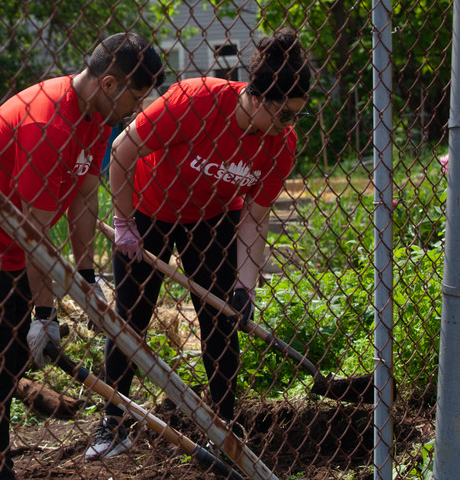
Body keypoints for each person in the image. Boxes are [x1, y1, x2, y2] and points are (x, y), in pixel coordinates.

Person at [0, 33, 165, 480]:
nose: (137, 108)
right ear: (109, 84)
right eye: (136, 96)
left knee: (9, 355)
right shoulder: (47, 123)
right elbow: (34, 233)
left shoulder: (95, 118)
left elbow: (84, 196)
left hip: (13, 246)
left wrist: (88, 276)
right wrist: (45, 310)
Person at [85, 27, 311, 461]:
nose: (289, 125)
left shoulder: (280, 145)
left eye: (296, 116)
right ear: (259, 97)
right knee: (131, 316)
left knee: (221, 323)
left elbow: (255, 215)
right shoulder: (196, 101)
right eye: (285, 114)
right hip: (147, 210)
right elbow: (121, 152)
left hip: (212, 219)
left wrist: (245, 288)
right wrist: (125, 222)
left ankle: (225, 427)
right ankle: (113, 423)